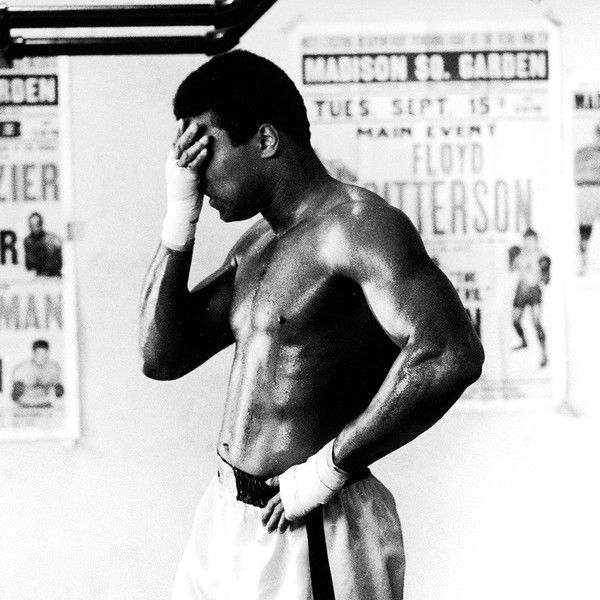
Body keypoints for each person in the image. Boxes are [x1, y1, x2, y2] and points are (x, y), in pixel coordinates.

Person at [139, 50, 484, 600]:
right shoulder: (256, 245)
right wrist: (179, 217)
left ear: (266, 140)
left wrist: (329, 468)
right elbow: (161, 356)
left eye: (207, 150)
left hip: (311, 520)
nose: (197, 175)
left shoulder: (357, 227)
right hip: (225, 519)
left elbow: (451, 353)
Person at [509, 228, 550, 368]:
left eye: (531, 241)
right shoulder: (520, 255)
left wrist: (545, 270)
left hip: (534, 290)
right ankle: (523, 341)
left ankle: (544, 354)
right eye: (527, 241)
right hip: (521, 289)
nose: (529, 244)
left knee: (536, 323)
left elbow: (546, 280)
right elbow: (511, 268)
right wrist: (511, 257)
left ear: (536, 241)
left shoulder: (542, 256)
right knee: (515, 321)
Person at [12, 340, 64, 408]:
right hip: (25, 405)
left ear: (47, 353)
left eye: (44, 354)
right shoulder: (22, 369)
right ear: (34, 353)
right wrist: (19, 389)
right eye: (39, 354)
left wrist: (58, 389)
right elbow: (14, 396)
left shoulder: (53, 368)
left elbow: (59, 393)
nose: (42, 357)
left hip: (45, 404)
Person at [24, 212, 63, 277]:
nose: (35, 228)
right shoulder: (28, 241)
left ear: (41, 224)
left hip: (54, 276)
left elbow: (56, 263)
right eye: (32, 225)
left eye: (37, 225)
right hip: (39, 276)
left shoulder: (51, 240)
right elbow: (29, 265)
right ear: (29, 226)